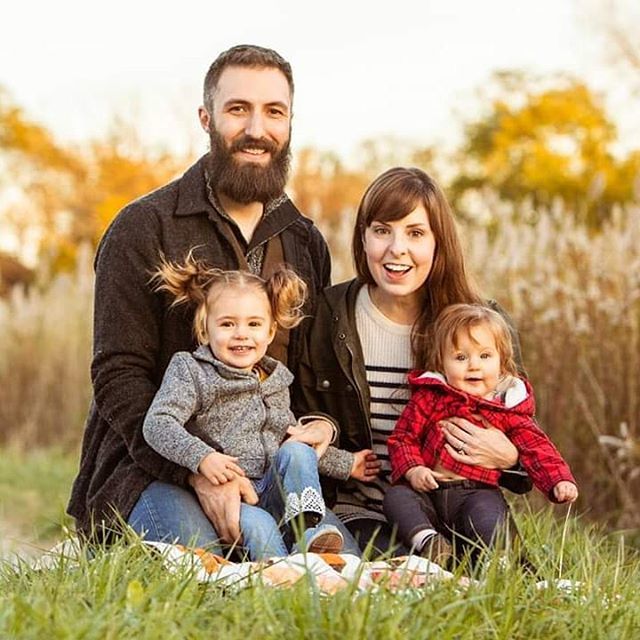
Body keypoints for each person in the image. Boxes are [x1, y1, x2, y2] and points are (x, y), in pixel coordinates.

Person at [67, 44, 359, 554]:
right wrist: (197, 470)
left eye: (274, 112)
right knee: (220, 571)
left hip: (271, 475)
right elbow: (119, 374)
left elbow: (312, 378)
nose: (256, 130)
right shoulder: (144, 227)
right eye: (237, 109)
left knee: (340, 571)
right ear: (206, 117)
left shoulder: (304, 241)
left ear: (290, 122)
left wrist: (323, 430)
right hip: (148, 468)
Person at [292, 166, 533, 556]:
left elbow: (524, 431)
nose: (396, 249)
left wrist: (512, 457)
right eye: (382, 230)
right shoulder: (327, 315)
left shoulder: (479, 325)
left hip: (458, 504)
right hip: (365, 510)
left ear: (439, 242)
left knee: (500, 584)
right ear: (363, 238)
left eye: (415, 233)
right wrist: (320, 429)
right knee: (411, 577)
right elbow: (300, 416)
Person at [143, 257, 346, 559]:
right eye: (227, 324)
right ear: (204, 330)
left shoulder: (275, 380)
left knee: (297, 450)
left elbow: (291, 438)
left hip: (277, 490)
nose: (241, 333)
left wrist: (348, 463)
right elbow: (157, 423)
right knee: (261, 526)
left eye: (253, 324)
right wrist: (202, 457)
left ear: (270, 332)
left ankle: (311, 533)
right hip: (237, 497)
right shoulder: (191, 370)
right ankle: (281, 582)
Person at [384, 303, 578, 566]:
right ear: (442, 362)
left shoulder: (507, 409)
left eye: (485, 356)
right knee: (397, 498)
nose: (473, 366)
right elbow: (403, 438)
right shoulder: (430, 398)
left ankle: (495, 560)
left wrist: (559, 481)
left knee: (489, 517)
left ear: (502, 363)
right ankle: (429, 542)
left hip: (475, 492)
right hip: (429, 490)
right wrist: (414, 469)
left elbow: (538, 450)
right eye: (461, 358)